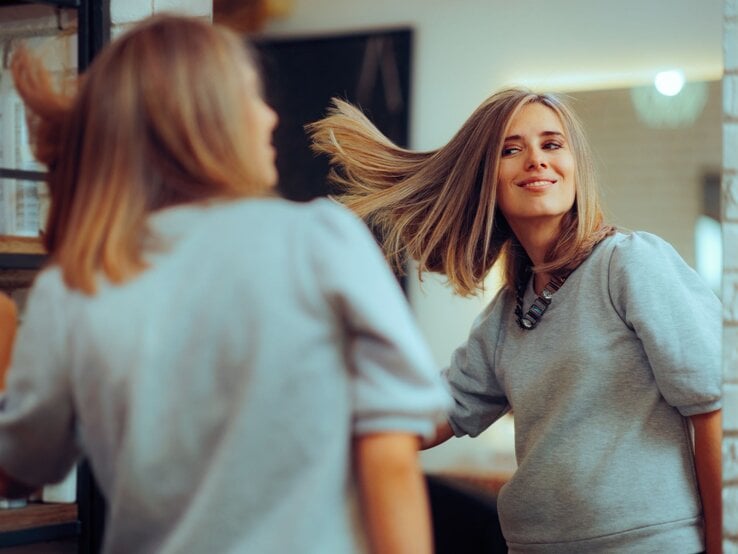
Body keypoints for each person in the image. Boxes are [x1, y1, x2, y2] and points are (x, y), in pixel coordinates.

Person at [0, 14, 452, 554]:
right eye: (250, 98)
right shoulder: (320, 241)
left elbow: (20, 468)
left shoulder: (73, 286)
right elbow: (390, 454)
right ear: (202, 120)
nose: (269, 116)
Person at [309, 88, 723, 553]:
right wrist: (322, 416)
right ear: (487, 178)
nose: (535, 160)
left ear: (576, 166)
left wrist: (721, 545)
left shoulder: (629, 264)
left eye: (552, 144)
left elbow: (715, 406)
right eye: (511, 149)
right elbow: (434, 415)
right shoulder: (506, 315)